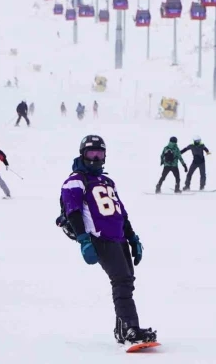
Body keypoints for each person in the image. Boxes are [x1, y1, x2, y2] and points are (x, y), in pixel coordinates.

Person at [58, 135, 157, 346]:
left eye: (99, 153)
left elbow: (121, 212)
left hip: (118, 237)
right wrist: (84, 240)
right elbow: (73, 212)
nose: (95, 158)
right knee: (121, 281)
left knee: (127, 280)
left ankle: (123, 329)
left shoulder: (107, 181)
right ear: (82, 154)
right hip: (99, 239)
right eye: (90, 153)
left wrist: (132, 238)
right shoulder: (75, 180)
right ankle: (131, 329)